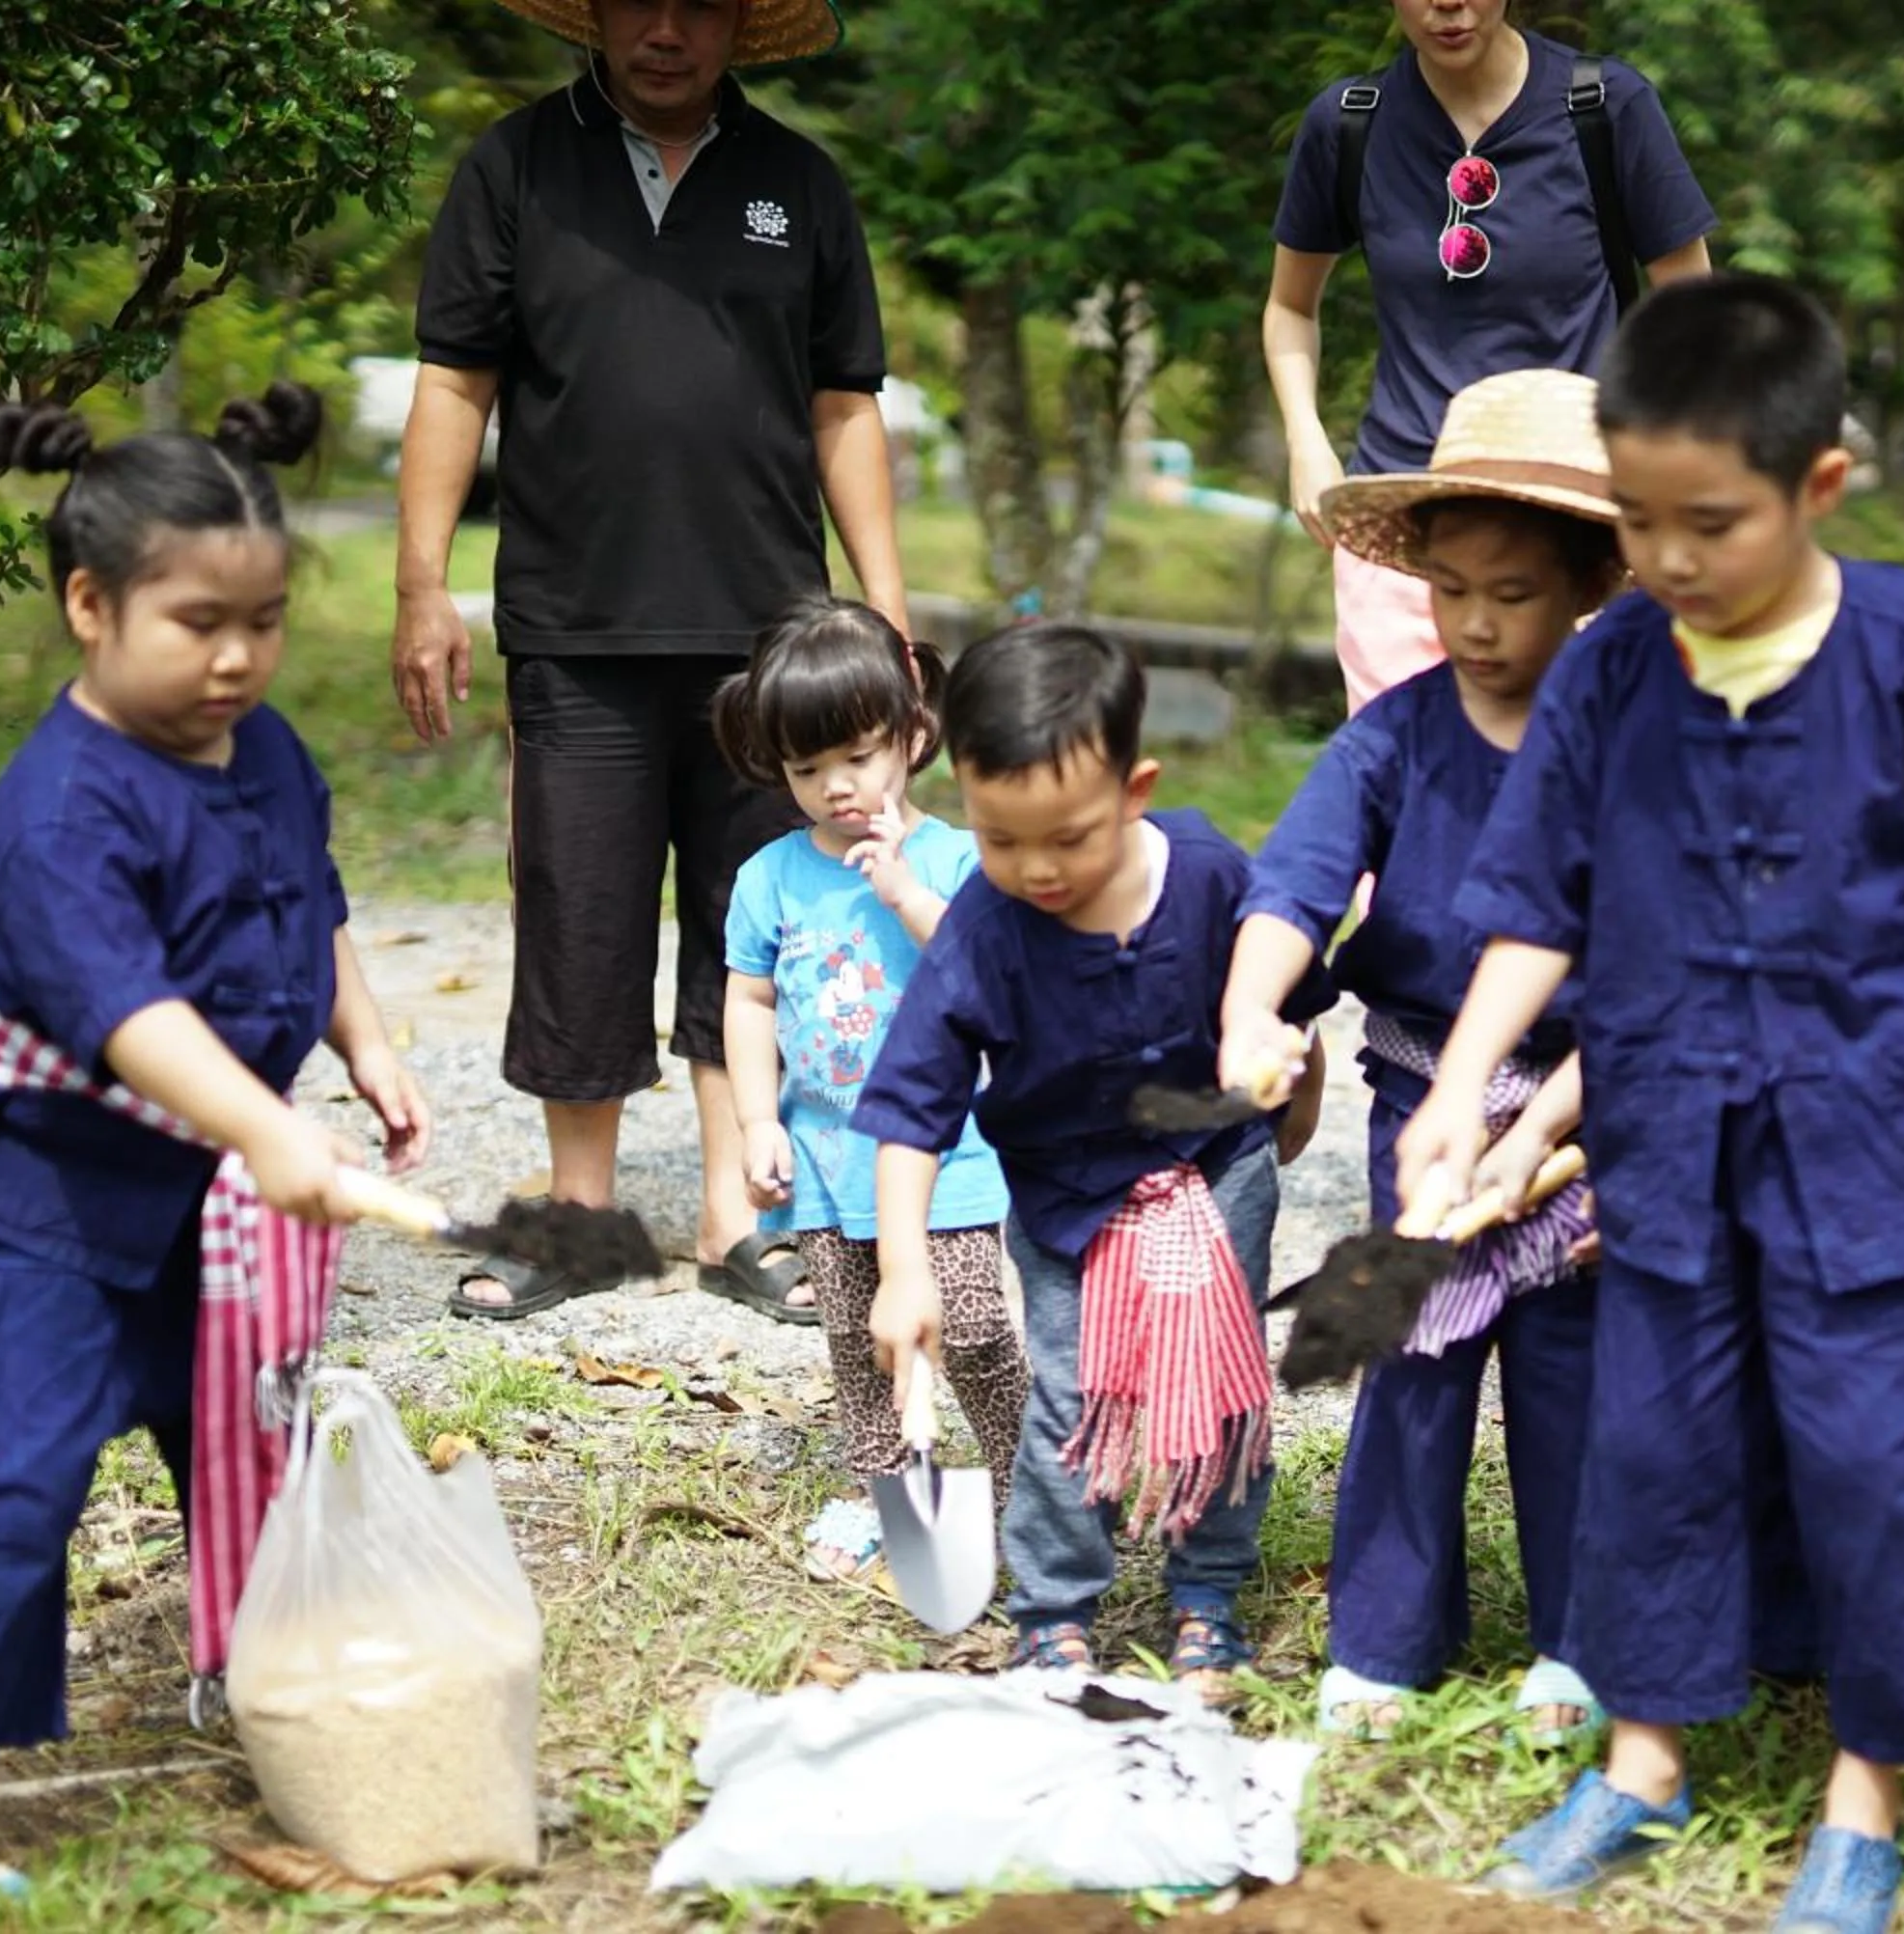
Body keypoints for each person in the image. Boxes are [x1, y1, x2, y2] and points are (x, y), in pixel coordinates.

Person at [1396, 276, 1904, 1920]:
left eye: (1710, 521)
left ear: (1819, 487)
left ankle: (1866, 1797)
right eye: (1635, 521)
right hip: (1672, 1143)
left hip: (1889, 1139)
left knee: (1887, 1455)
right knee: (1658, 1447)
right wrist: (1455, 1093)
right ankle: (1641, 1762)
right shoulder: (1609, 666)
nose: (1669, 559)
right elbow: (1539, 899)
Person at [0, 390, 430, 1924]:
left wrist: (360, 1034)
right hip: (39, 1190)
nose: (236, 659)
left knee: (242, 1435)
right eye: (198, 623)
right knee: (21, 1477)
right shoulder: (59, 808)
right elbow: (129, 1014)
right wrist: (268, 1126)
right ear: (90, 606)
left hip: (203, 1193)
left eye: (267, 621)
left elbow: (312, 885)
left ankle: (254, 1675)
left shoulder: (263, 741)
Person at [397, 0, 904, 1326]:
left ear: (742, 25)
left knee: (762, 918)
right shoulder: (515, 168)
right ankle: (581, 1219)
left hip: (768, 635)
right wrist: (420, 588)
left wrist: (887, 615)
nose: (665, 28)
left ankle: (744, 1214)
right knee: (580, 909)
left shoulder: (799, 181)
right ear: (598, 15)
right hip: (577, 617)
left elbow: (846, 401)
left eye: (699, 4)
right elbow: (455, 380)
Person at [1219, 369, 1614, 1745]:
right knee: (1414, 1357)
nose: (1478, 621)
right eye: (1450, 590)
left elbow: (1648, 966)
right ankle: (1386, 1638)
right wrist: (1253, 1013)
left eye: (1511, 590)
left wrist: (1563, 1138)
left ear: (1589, 585)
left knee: (1573, 1368)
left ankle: (1581, 1641)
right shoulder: (1395, 734)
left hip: (1586, 1107)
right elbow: (1294, 886)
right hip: (1420, 1095)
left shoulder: (1630, 744)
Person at [852, 625, 1335, 1703]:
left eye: (1067, 838)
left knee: (1220, 1387)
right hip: (1070, 1199)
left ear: (1135, 788)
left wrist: (1290, 1116)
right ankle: (1056, 1610)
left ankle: (1208, 1593)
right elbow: (911, 1107)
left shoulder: (1210, 876)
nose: (1035, 870)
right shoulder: (985, 928)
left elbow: (1294, 1011)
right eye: (997, 838)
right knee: (1074, 1397)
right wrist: (904, 1269)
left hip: (1218, 1171)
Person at [1264, 0, 1716, 713]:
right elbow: (1290, 308)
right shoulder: (1351, 121)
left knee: (1579, 782)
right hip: (1405, 525)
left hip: (1579, 522)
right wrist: (1305, 441)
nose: (1448, 5)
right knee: (1414, 791)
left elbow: (1692, 317)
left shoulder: (1602, 105)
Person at [710, 597, 1028, 1584]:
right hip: (826, 1153)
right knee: (855, 1338)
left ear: (912, 733)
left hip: (952, 1156)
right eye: (807, 770)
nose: (835, 788)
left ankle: (1027, 1481)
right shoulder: (771, 878)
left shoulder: (957, 860)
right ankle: (883, 1485)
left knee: (971, 1324)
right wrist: (757, 1121)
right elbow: (751, 1001)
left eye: (855, 755)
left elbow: (988, 978)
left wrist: (904, 895)